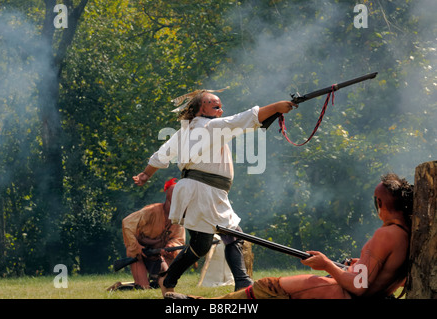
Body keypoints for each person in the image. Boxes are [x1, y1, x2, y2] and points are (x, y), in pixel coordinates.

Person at [133, 89, 296, 296]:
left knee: (204, 244)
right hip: (202, 191)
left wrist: (146, 175)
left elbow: (160, 155)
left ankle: (170, 278)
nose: (220, 109)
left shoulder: (186, 130)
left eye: (220, 106)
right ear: (199, 108)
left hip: (204, 191)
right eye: (215, 105)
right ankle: (242, 285)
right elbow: (243, 119)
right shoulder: (211, 127)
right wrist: (276, 107)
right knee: (233, 236)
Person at [166, 173, 413, 299]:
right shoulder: (404, 235)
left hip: (341, 294)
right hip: (347, 292)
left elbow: (359, 288)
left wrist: (326, 264)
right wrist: (356, 267)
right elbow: (382, 279)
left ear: (380, 202)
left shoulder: (386, 235)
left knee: (266, 288)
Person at [115, 178, 185, 290]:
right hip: (139, 254)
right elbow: (127, 223)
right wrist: (136, 247)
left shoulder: (179, 217)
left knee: (164, 283)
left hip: (158, 255)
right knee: (143, 288)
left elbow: (178, 239)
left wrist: (170, 247)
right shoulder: (151, 211)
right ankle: (119, 288)